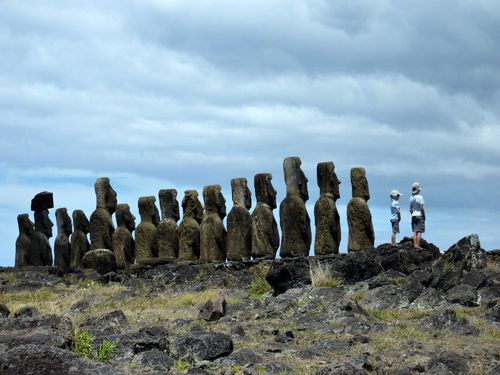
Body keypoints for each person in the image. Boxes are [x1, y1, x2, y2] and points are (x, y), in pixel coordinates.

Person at [409, 182, 425, 249]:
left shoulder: (411, 198)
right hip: (419, 215)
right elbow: (422, 208)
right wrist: (424, 215)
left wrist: (412, 214)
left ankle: (415, 245)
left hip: (413, 215)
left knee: (415, 231)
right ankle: (418, 245)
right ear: (418, 190)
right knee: (419, 231)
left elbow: (410, 209)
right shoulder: (420, 197)